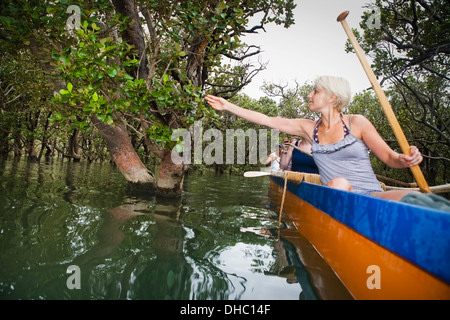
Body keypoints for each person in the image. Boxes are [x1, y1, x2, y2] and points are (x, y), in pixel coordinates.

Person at [205, 75, 423, 201]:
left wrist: (405, 159)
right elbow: (267, 120)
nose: (309, 95)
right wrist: (228, 106)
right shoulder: (307, 128)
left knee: (420, 202)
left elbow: (390, 158)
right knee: (339, 183)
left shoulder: (357, 122)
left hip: (372, 195)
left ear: (332, 97)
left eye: (315, 91)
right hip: (337, 193)